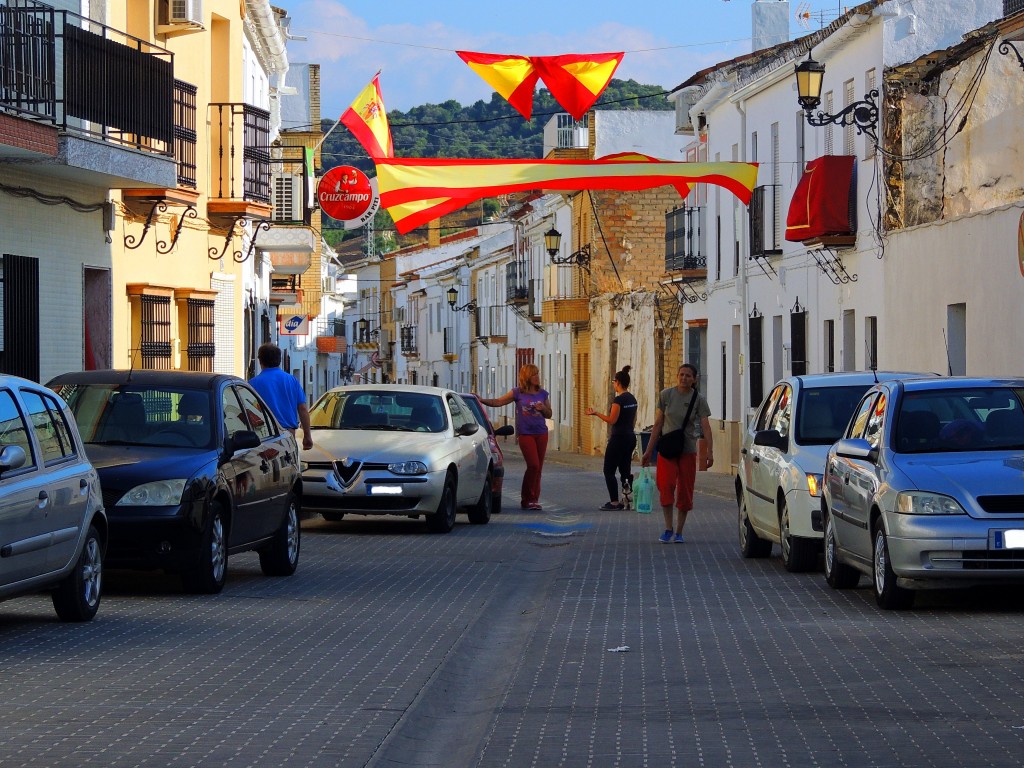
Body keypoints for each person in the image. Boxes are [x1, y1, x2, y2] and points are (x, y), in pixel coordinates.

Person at [641, 363, 713, 543]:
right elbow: (658, 424)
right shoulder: (666, 395)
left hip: (687, 449)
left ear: (694, 379)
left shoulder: (698, 399)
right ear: (677, 376)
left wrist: (710, 452)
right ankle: (668, 528)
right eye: (681, 374)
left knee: (685, 491)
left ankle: (679, 531)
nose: (684, 378)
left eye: (688, 375)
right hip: (667, 449)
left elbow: (705, 425)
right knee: (665, 486)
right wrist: (648, 451)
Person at [476, 363, 552, 510]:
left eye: (537, 374)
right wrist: (481, 400)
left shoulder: (543, 394)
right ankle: (526, 498)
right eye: (533, 374)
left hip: (541, 433)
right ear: (526, 377)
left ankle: (533, 499)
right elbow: (498, 402)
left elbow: (549, 414)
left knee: (538, 468)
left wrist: (543, 409)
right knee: (533, 465)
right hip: (526, 435)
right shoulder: (518, 393)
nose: (537, 377)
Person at [586, 365, 638, 510]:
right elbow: (633, 419)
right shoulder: (632, 399)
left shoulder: (618, 401)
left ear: (618, 383)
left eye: (614, 381)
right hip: (630, 437)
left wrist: (596, 413)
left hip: (618, 438)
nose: (613, 384)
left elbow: (612, 420)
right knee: (625, 469)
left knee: (609, 470)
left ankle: (614, 501)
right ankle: (627, 498)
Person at [249, 342, 313, 450]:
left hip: (263, 437)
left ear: (260, 361)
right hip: (288, 436)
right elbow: (302, 409)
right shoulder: (292, 381)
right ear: (279, 360)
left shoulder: (252, 384)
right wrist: (307, 436)